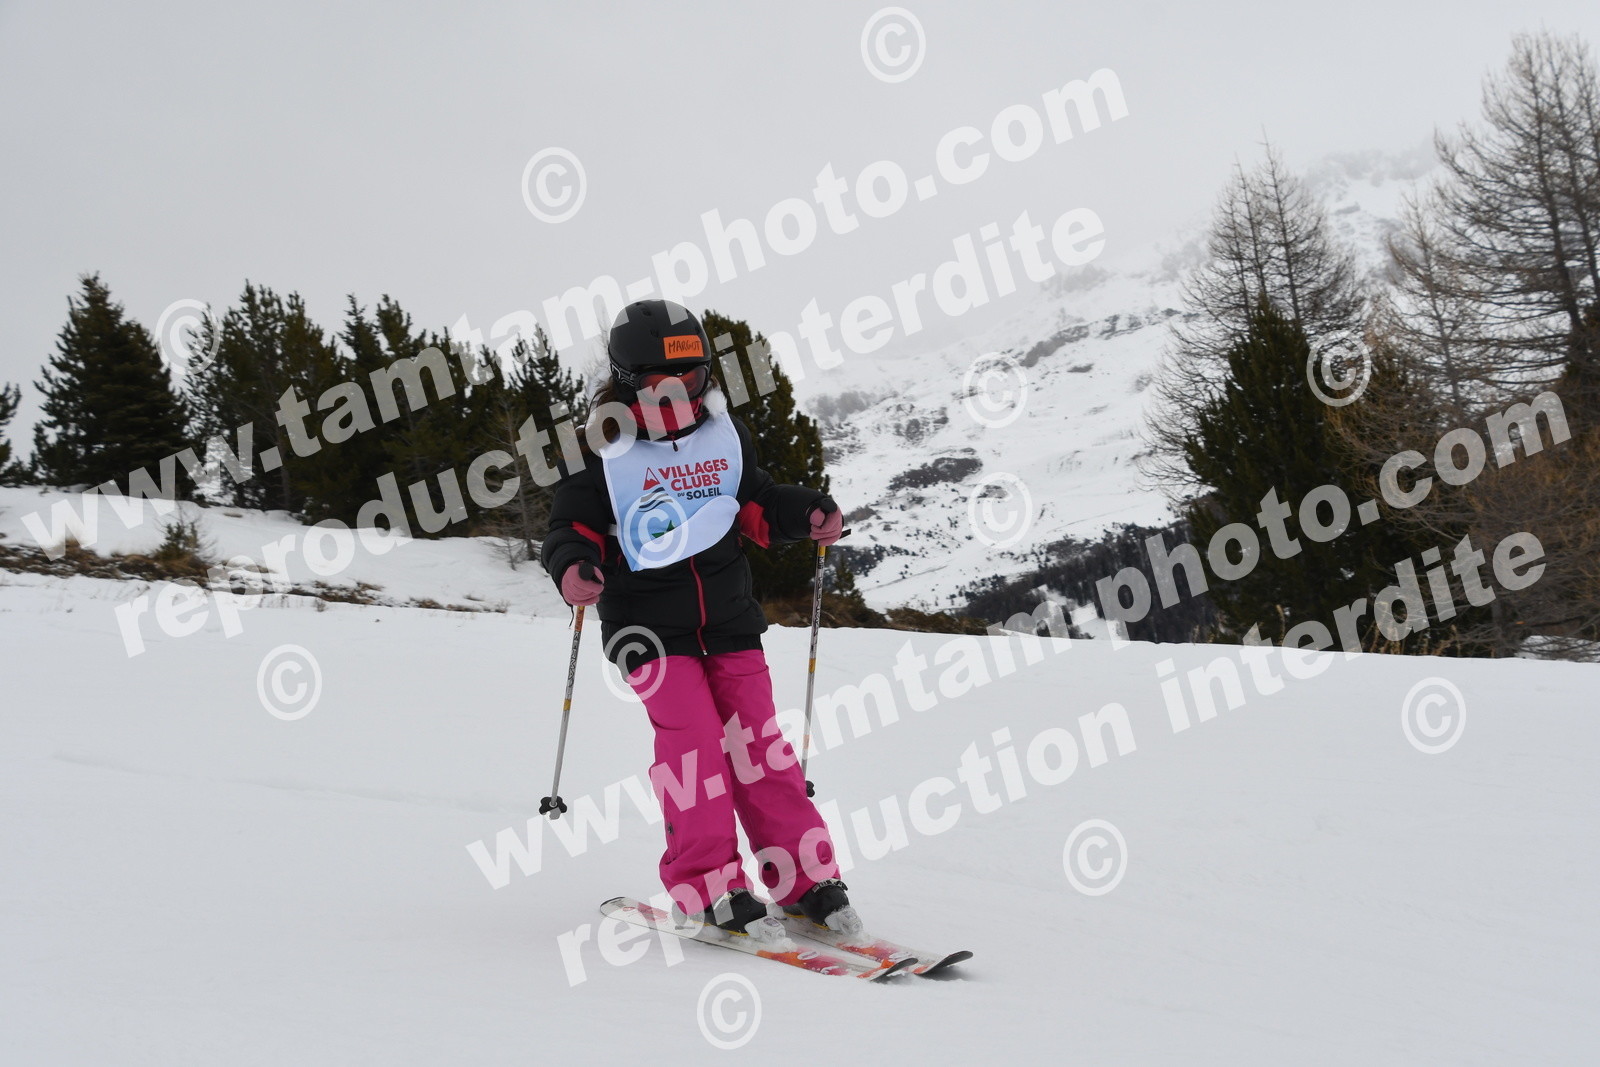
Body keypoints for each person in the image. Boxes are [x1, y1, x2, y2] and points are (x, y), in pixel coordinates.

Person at [540, 298, 858, 943]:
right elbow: (570, 525)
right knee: (696, 746)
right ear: (628, 381)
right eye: (662, 381)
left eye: (693, 377)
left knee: (759, 746)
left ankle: (804, 878)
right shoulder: (601, 451)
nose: (681, 392)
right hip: (647, 628)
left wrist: (805, 513)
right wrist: (573, 563)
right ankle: (709, 886)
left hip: (729, 619)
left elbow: (754, 503)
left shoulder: (723, 434)